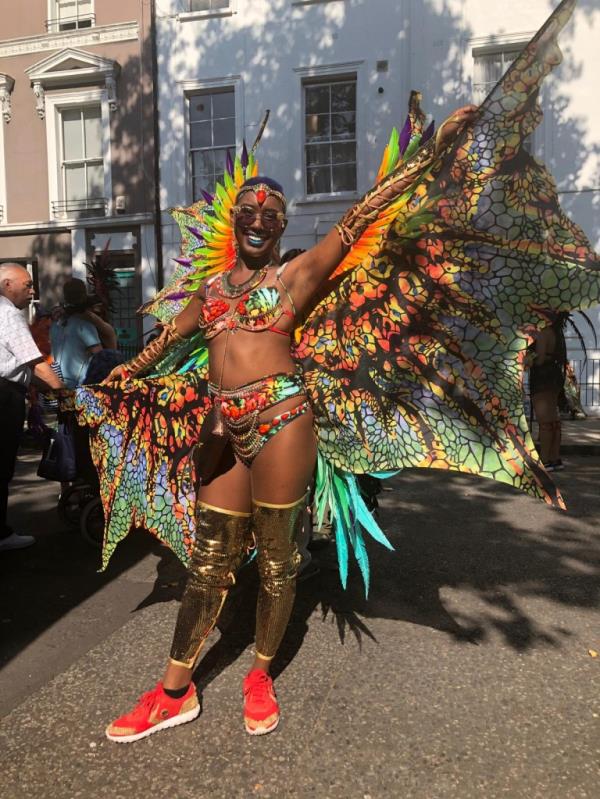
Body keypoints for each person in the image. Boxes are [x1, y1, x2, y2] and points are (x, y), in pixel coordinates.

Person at [91, 106, 477, 742]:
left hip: (284, 419)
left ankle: (260, 674)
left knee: (277, 563)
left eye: (272, 216)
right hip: (222, 428)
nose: (259, 221)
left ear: (281, 228)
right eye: (249, 212)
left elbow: (359, 219)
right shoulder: (211, 291)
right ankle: (173, 691)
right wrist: (123, 375)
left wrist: (428, 155)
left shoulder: (295, 278)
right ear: (234, 220)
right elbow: (163, 344)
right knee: (209, 561)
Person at [0, 264, 64, 552]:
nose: (33, 291)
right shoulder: (9, 314)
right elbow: (34, 362)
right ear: (6, 285)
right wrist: (64, 393)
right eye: (27, 285)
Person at [529, 313, 568, 471]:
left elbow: (540, 358)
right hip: (555, 376)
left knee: (545, 422)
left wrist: (527, 358)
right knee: (553, 420)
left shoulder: (544, 332)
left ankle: (545, 460)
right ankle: (555, 458)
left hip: (542, 377)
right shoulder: (557, 333)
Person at [50, 279, 102, 389]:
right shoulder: (85, 326)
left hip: (57, 380)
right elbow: (100, 356)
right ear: (84, 296)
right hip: (79, 384)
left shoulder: (55, 325)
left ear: (64, 296)